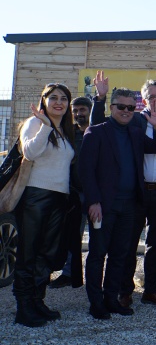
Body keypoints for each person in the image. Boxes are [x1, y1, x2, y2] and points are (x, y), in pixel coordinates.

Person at [90, 73, 156, 308]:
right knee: (128, 243)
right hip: (137, 192)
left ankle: (151, 290)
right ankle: (125, 290)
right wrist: (100, 98)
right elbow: (97, 125)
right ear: (143, 101)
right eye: (151, 96)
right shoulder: (133, 120)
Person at [80, 88, 156, 319]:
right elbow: (85, 171)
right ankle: (95, 302)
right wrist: (93, 201)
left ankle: (111, 298)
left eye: (131, 107)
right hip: (104, 206)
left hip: (130, 205)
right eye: (122, 107)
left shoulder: (136, 133)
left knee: (120, 254)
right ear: (112, 107)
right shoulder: (96, 132)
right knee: (98, 254)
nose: (127, 111)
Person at [13, 83, 76, 327]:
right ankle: (23, 306)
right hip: (35, 196)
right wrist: (45, 127)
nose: (59, 102)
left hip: (59, 198)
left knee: (46, 253)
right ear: (44, 101)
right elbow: (30, 152)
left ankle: (37, 300)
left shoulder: (64, 130)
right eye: (53, 98)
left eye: (63, 98)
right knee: (28, 252)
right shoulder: (35, 123)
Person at [51, 95, 93, 289]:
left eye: (82, 110)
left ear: (90, 110)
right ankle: (69, 274)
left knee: (98, 237)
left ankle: (94, 275)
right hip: (74, 193)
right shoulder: (69, 133)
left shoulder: (97, 132)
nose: (78, 114)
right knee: (71, 236)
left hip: (95, 193)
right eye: (75, 111)